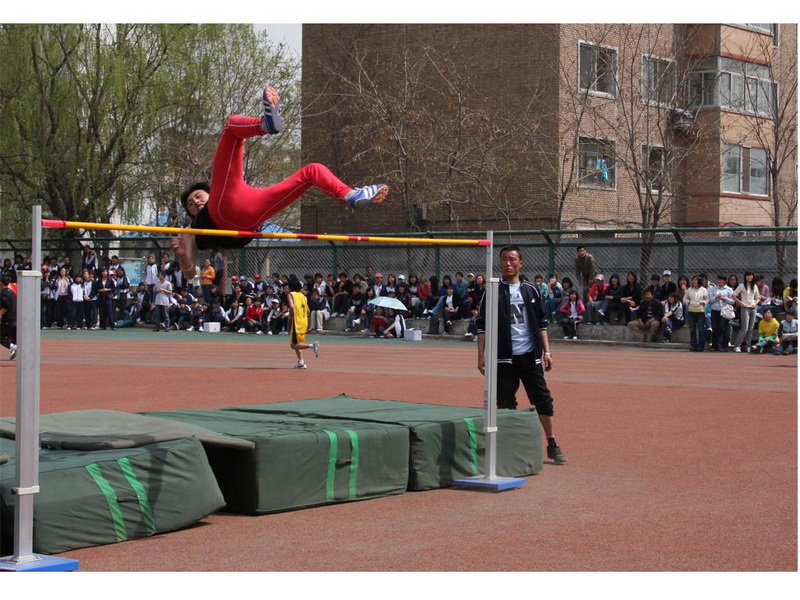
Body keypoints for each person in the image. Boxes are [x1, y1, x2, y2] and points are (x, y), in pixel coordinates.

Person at [170, 85, 389, 281]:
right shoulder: (192, 229)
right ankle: (264, 125)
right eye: (190, 203)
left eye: (198, 196)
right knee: (231, 129)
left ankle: (350, 195)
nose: (195, 202)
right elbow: (190, 274)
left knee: (311, 171)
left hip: (249, 210)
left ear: (209, 193)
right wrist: (182, 257)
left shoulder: (217, 196)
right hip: (225, 214)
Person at [476, 245, 566, 464]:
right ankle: (507, 445)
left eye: (512, 259)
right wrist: (481, 356)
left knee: (543, 399)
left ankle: (552, 443)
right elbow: (482, 325)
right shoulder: (493, 290)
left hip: (529, 356)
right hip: (504, 357)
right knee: (505, 402)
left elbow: (542, 323)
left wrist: (547, 351)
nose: (508, 263)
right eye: (504, 259)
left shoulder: (530, 290)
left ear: (520, 263)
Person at [286, 278, 320, 369]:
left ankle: (312, 346)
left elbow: (292, 306)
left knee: (293, 345)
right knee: (298, 342)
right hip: (304, 321)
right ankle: (301, 362)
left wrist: (290, 315)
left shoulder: (290, 294)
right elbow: (308, 311)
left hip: (296, 321)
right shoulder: (303, 296)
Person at [732, 271, 760, 352]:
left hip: (753, 308)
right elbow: (734, 295)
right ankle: (737, 346)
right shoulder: (741, 286)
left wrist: (755, 303)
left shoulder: (754, 286)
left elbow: (758, 297)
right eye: (748, 276)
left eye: (751, 276)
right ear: (745, 277)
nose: (749, 277)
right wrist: (741, 303)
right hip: (745, 308)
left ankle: (748, 346)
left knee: (751, 328)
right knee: (745, 327)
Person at [708, 274, 735, 352]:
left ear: (725, 281)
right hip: (715, 310)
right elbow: (710, 300)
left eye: (721, 279)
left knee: (724, 329)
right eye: (718, 279)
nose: (719, 281)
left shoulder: (729, 289)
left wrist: (724, 299)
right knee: (715, 329)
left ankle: (724, 346)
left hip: (724, 311)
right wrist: (716, 298)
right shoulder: (713, 289)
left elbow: (732, 301)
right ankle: (715, 345)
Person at [682, 276, 709, 352]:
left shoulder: (704, 290)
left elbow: (707, 299)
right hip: (691, 311)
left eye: (696, 281)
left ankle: (701, 345)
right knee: (692, 329)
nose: (694, 282)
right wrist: (689, 302)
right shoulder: (690, 290)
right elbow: (684, 298)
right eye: (693, 281)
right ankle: (693, 345)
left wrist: (703, 302)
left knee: (701, 329)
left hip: (700, 311)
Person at [0, 275, 17, 360]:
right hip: (15, 318)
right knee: (15, 337)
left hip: (8, 319)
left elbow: (5, 306)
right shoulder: (12, 292)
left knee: (1, 335)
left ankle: (12, 347)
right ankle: (14, 348)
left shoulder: (3, 293)